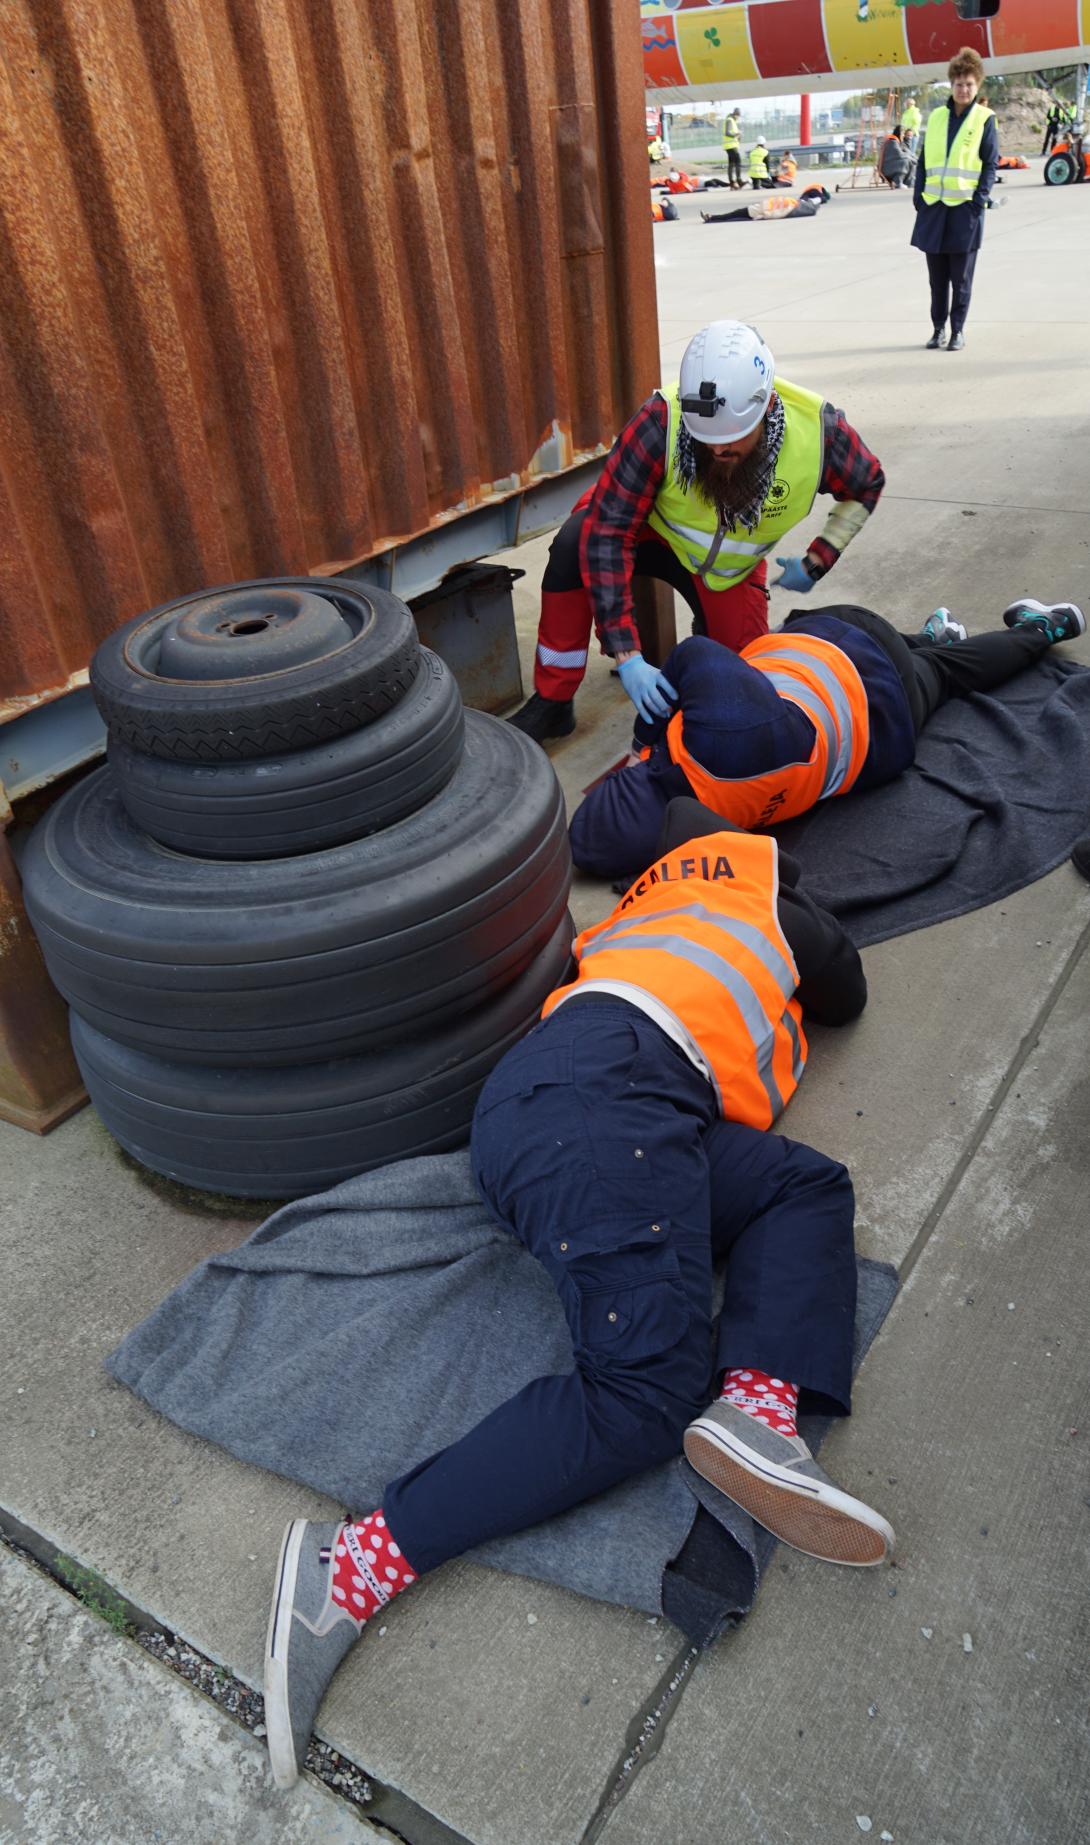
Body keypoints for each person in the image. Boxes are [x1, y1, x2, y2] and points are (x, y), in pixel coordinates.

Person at [262, 795, 892, 1791]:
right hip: (608, 1109)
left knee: (799, 1184)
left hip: (582, 1101)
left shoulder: (637, 909)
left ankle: (756, 1410)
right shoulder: (766, 899)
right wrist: (796, 905)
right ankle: (351, 1565)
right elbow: (846, 992)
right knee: (643, 1388)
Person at [507, 319, 885, 744]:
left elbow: (866, 484)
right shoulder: (660, 421)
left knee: (742, 681)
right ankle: (554, 700)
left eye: (733, 440)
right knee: (576, 543)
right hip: (650, 534)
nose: (717, 451)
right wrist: (627, 653)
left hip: (725, 571)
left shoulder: (820, 433)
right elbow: (609, 532)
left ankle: (707, 648)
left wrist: (818, 559)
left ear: (768, 406)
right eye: (705, 440)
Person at [568, 597, 1086, 880]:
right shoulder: (714, 740)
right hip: (855, 664)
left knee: (937, 673)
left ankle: (934, 639)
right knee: (936, 667)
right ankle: (1042, 627)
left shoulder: (712, 839)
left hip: (876, 750)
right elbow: (697, 653)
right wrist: (645, 738)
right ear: (629, 783)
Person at [912, 47, 998, 351]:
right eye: (959, 83)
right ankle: (938, 330)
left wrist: (979, 202)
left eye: (970, 84)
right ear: (951, 85)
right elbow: (923, 160)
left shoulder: (984, 119)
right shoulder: (936, 117)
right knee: (937, 281)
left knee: (960, 280)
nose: (964, 89)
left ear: (977, 87)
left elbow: (990, 163)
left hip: (965, 211)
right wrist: (918, 198)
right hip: (933, 210)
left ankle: (958, 330)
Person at [701, 186, 830, 225]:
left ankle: (712, 218)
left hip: (764, 208)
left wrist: (764, 215)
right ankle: (713, 218)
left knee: (737, 214)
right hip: (766, 207)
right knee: (738, 214)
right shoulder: (803, 204)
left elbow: (819, 199)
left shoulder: (803, 203)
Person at [722, 108, 743, 189]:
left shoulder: (733, 121)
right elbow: (727, 133)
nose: (738, 117)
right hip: (731, 146)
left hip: (731, 145)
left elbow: (733, 133)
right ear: (736, 114)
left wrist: (738, 137)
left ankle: (732, 183)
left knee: (731, 164)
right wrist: (736, 135)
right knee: (738, 162)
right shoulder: (729, 120)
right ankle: (739, 181)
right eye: (738, 115)